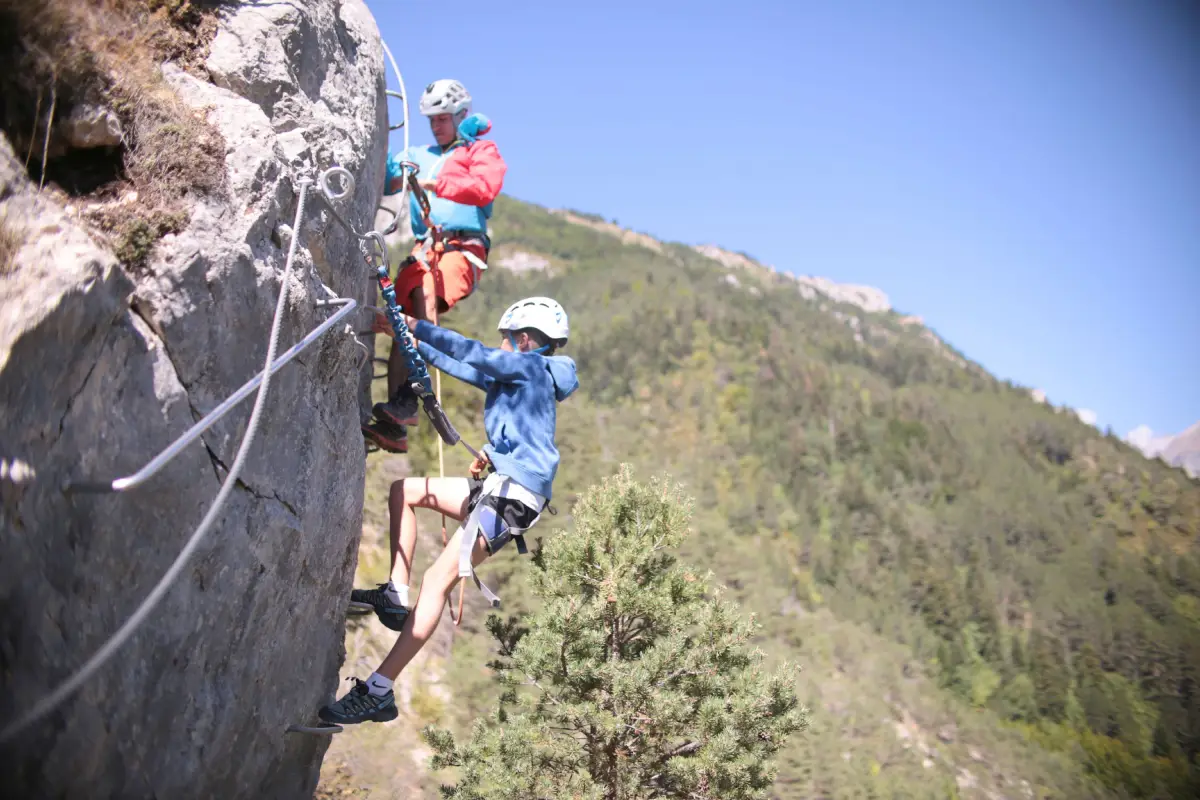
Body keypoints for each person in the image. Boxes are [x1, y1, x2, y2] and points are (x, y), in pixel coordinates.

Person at [323, 297, 579, 726]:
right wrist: (409, 341)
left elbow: (470, 352)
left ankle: (379, 690)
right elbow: (461, 365)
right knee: (405, 491)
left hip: (512, 498)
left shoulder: (530, 369)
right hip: (501, 488)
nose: (501, 344)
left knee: (436, 582)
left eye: (505, 338)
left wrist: (411, 324)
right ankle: (394, 593)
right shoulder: (520, 377)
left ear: (524, 340)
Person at [363, 78, 508, 454]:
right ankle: (397, 418)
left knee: (423, 286)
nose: (436, 126)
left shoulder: (479, 151)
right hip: (426, 248)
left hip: (461, 247)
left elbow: (485, 187)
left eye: (443, 119)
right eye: (432, 120)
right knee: (405, 312)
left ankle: (410, 398)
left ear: (461, 115)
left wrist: (437, 183)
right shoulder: (417, 154)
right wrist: (399, 169)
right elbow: (384, 179)